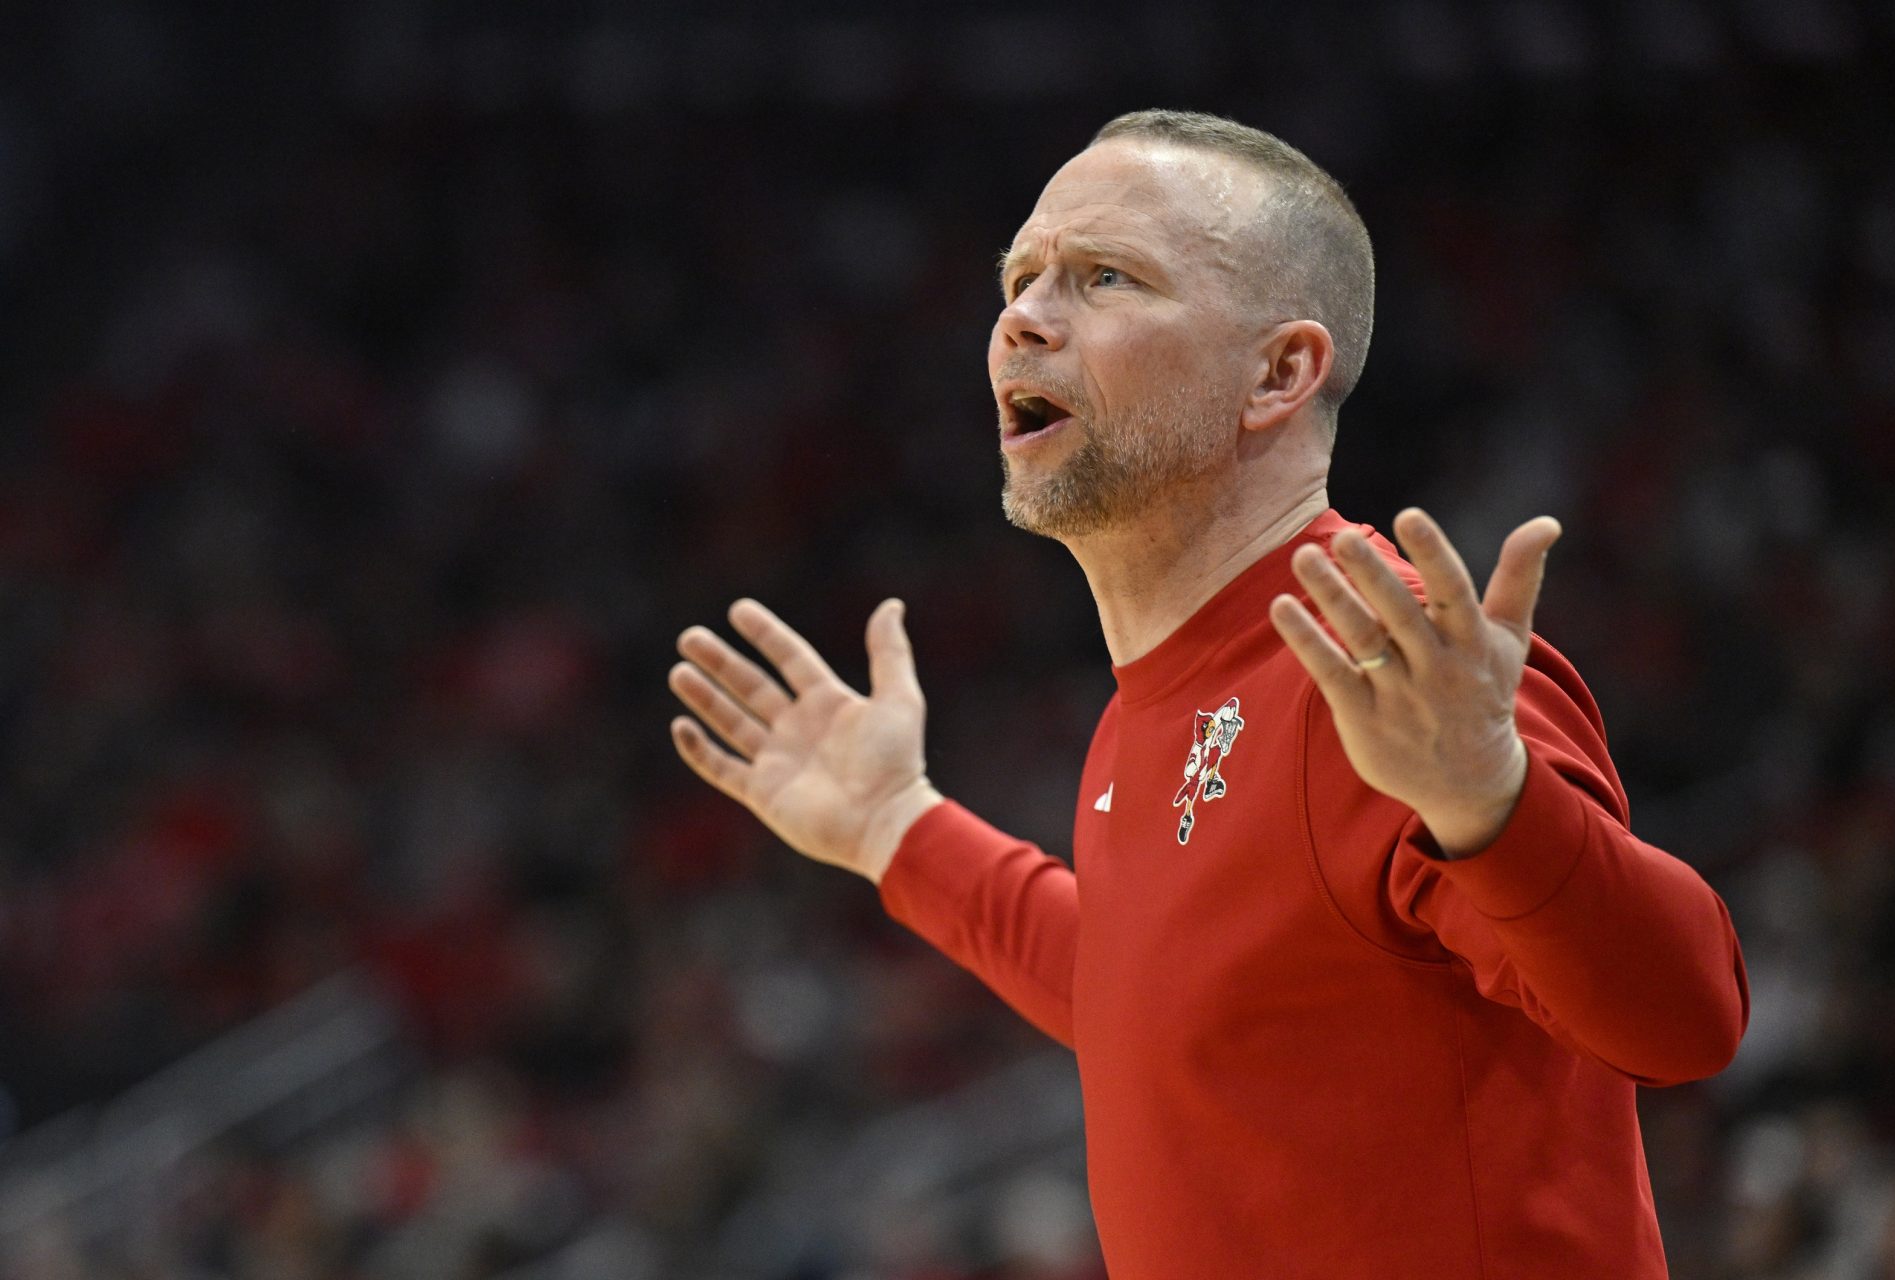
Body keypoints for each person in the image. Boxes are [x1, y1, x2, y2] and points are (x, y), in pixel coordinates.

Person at [667, 110, 1748, 1278]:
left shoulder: (1388, 662)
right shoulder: (1151, 704)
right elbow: (1175, 1006)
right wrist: (900, 829)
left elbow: (1684, 1020)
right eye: (1020, 276)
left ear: (1278, 372)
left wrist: (1494, 796)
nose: (1023, 317)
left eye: (1104, 278)